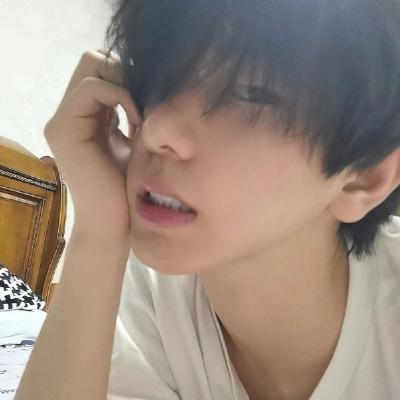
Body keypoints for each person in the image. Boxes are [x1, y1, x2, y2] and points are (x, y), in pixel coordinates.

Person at [15, 1, 400, 399]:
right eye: (160, 80)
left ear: (364, 177)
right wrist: (99, 232)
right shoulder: (151, 293)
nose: (156, 129)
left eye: (251, 92)